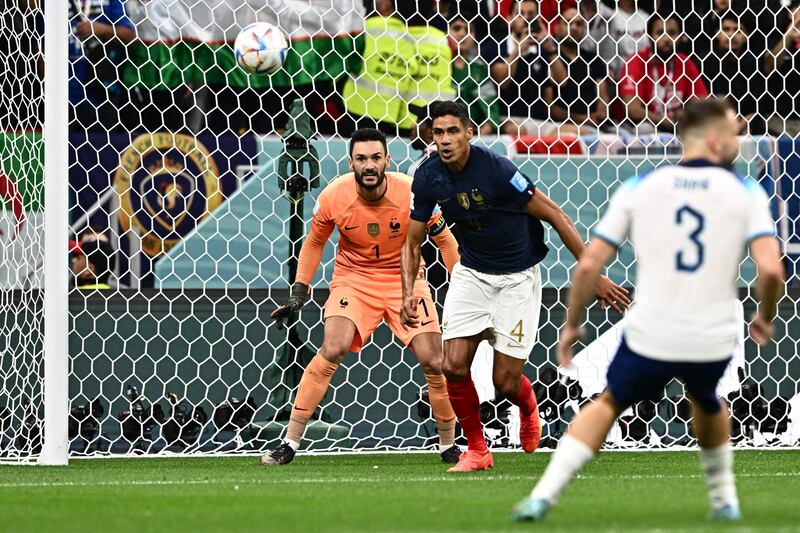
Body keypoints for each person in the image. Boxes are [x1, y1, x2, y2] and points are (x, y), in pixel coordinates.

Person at [511, 97, 784, 522]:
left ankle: (543, 495)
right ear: (714, 138)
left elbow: (588, 265)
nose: (737, 140)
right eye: (732, 132)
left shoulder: (641, 187)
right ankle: (724, 499)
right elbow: (770, 269)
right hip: (711, 329)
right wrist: (765, 316)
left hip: (652, 327)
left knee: (609, 402)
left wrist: (571, 324)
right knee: (708, 401)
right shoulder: (743, 189)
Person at [401, 101, 628, 472]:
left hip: (517, 278)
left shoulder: (497, 170)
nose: (445, 140)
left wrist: (592, 273)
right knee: (452, 366)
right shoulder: (428, 177)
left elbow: (555, 213)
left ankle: (526, 405)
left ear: (469, 133)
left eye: (452, 131)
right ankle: (477, 449)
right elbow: (411, 241)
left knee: (505, 382)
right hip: (471, 272)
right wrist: (409, 291)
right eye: (438, 133)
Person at [262, 128, 462, 466]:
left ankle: (448, 445)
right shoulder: (334, 197)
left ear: (388, 159)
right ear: (350, 162)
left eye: (375, 157)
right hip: (353, 281)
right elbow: (313, 243)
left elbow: (445, 241)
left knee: (434, 360)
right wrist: (299, 289)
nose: (369, 165)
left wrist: (462, 287)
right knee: (333, 348)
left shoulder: (413, 193)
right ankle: (290, 442)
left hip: (407, 280)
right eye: (361, 158)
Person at [617, 12, 708, 135]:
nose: (666, 39)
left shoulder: (685, 62)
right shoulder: (636, 61)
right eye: (660, 33)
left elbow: (702, 104)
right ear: (649, 37)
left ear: (681, 37)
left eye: (672, 33)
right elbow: (632, 110)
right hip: (641, 128)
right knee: (645, 129)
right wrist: (670, 124)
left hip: (678, 127)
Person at [481, 0, 559, 136]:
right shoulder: (494, 47)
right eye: (520, 13)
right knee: (517, 130)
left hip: (539, 122)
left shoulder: (542, 50)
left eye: (531, 14)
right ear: (509, 18)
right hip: (507, 119)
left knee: (582, 133)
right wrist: (518, 51)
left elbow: (561, 82)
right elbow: (503, 82)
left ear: (538, 19)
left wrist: (550, 48)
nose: (525, 18)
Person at [68, 0, 134, 132]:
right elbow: (41, 48)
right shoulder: (52, 4)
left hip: (102, 94)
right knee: (61, 150)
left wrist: (100, 29)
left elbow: (128, 34)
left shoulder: (111, 2)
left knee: (103, 149)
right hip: (63, 96)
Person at [545, 7, 610, 135]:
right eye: (568, 22)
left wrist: (600, 116)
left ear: (584, 31)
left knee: (623, 138)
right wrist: (582, 119)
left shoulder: (593, 59)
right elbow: (549, 107)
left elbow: (603, 94)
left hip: (595, 124)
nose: (574, 27)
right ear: (557, 28)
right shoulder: (548, 57)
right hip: (562, 125)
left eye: (579, 24)